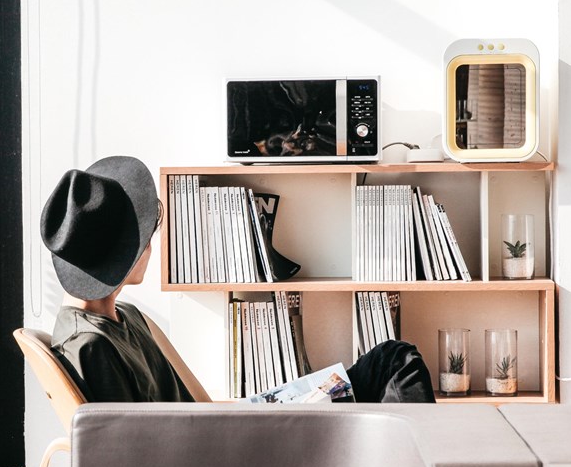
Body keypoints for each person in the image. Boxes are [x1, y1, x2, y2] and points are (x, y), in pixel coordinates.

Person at [40, 155, 435, 404]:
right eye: (145, 236)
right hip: (225, 454)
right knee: (401, 365)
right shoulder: (90, 347)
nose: (151, 244)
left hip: (229, 428)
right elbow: (134, 457)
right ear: (124, 256)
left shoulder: (126, 315)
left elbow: (202, 403)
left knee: (394, 356)